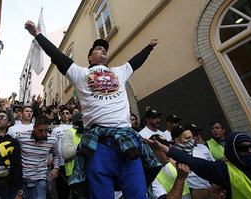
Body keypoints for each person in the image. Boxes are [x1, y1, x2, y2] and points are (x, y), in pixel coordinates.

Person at [25, 20, 162, 199]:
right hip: (98, 146)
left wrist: (149, 47)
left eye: (104, 48)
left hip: (127, 142)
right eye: (98, 49)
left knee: (137, 194)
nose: (103, 49)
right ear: (90, 58)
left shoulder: (120, 72)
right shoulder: (80, 73)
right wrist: (38, 35)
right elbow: (57, 56)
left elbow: (136, 61)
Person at [148, 131, 251, 198]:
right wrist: (180, 177)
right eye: (243, 148)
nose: (250, 151)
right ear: (233, 152)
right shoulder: (226, 171)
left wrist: (209, 192)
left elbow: (190, 194)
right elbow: (191, 161)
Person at [9, 114, 60, 199]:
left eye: (46, 130)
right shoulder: (21, 137)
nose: (43, 133)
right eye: (40, 130)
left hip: (41, 180)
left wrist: (56, 168)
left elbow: (56, 155)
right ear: (34, 128)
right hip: (23, 179)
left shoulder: (52, 140)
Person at [149, 135, 191, 199]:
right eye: (163, 150)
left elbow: (189, 192)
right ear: (153, 152)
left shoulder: (170, 164)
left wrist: (208, 192)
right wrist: (180, 178)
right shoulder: (151, 176)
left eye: (167, 148)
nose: (168, 152)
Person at [51, 106, 73, 199]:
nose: (65, 115)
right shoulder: (56, 129)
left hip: (73, 163)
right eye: (63, 113)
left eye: (67, 113)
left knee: (75, 190)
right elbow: (53, 144)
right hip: (60, 163)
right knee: (62, 189)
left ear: (70, 115)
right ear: (60, 115)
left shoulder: (75, 128)